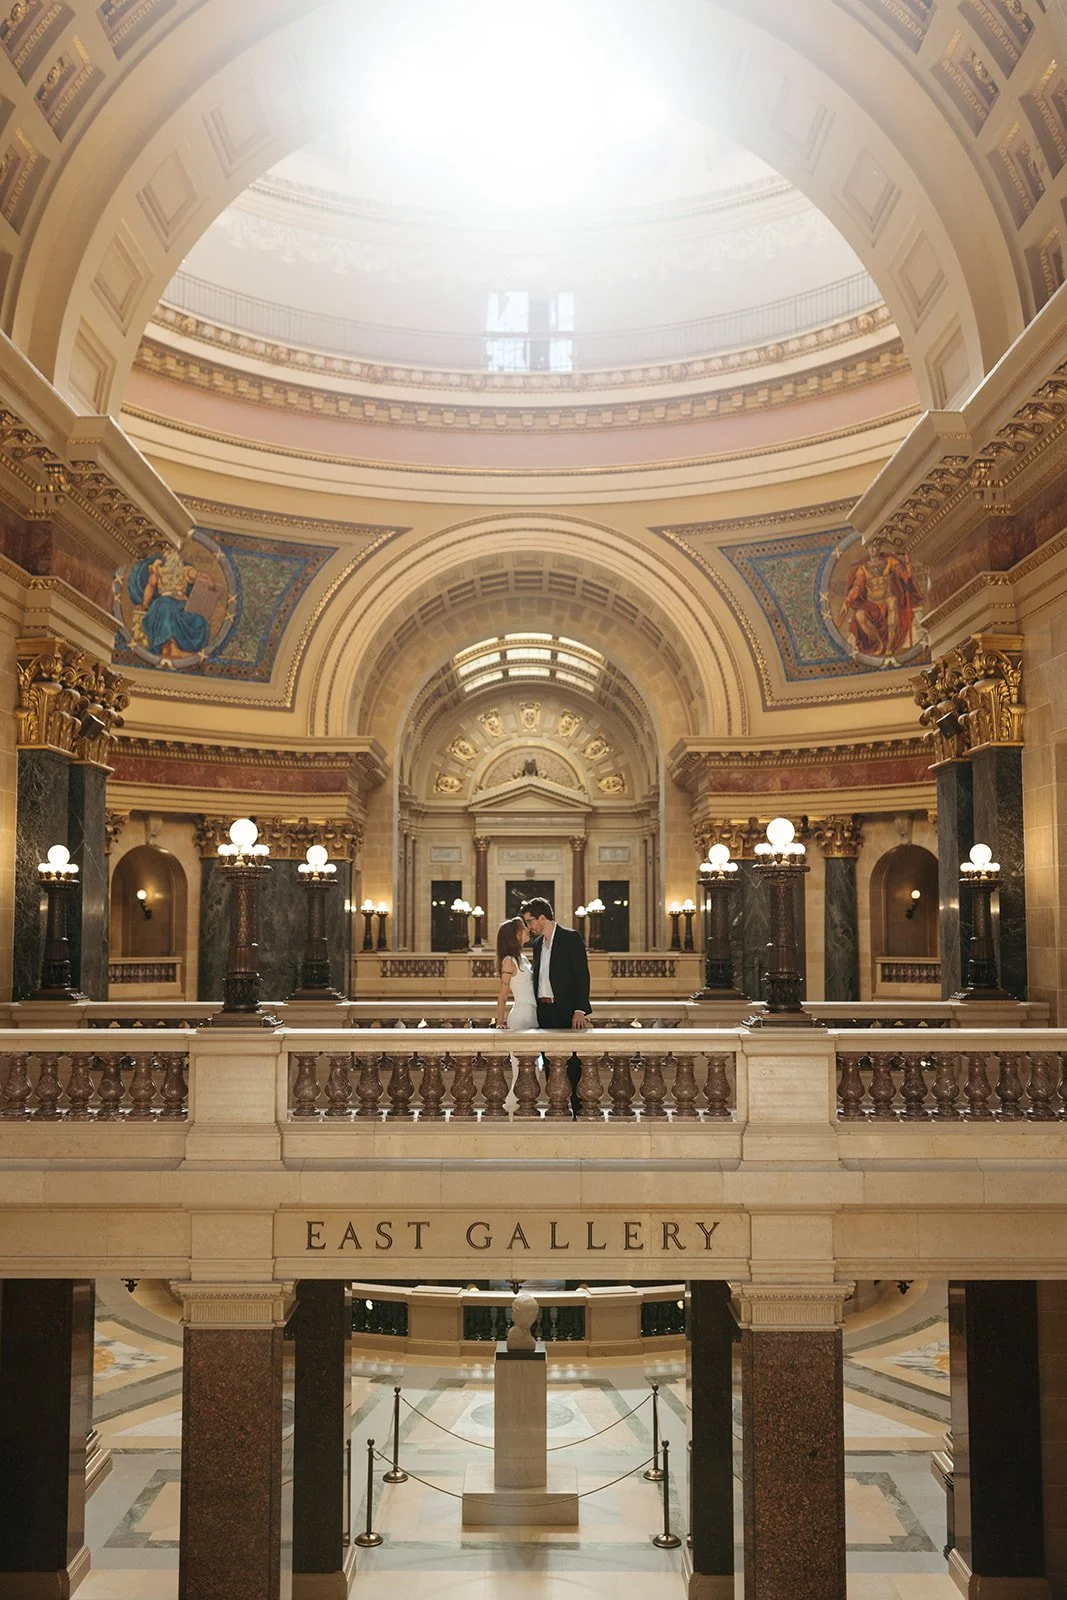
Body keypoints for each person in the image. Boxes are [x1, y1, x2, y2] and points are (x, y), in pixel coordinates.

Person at [520, 896, 591, 1117]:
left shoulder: (571, 938)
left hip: (567, 1010)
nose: (529, 927)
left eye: (530, 921)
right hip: (544, 1011)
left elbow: (582, 975)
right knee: (550, 1062)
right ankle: (558, 1107)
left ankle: (578, 1109)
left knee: (573, 1063)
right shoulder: (539, 944)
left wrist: (580, 1009)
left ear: (542, 917)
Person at [494, 915, 538, 1116]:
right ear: (515, 935)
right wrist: (500, 1021)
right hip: (520, 1016)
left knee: (533, 1069)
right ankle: (511, 1110)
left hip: (533, 1015)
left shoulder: (524, 958)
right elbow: (502, 996)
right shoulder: (509, 961)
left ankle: (523, 1109)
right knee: (520, 1070)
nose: (527, 930)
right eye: (523, 928)